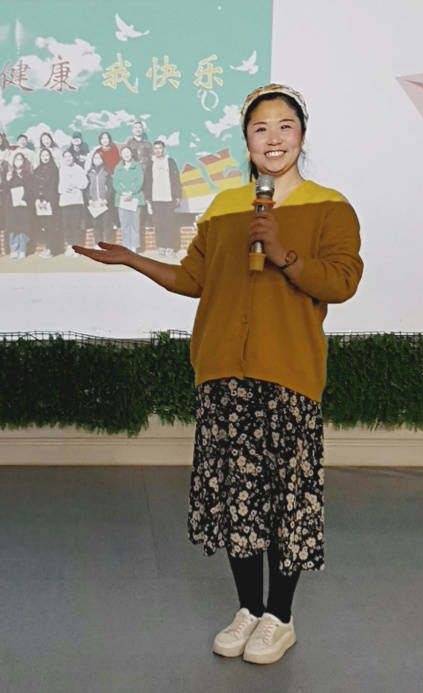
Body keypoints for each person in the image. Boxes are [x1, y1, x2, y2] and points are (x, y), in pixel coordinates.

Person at [73, 83, 363, 664]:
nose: (273, 138)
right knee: (237, 499)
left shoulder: (331, 206)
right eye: (260, 129)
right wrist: (131, 258)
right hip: (222, 375)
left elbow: (341, 282)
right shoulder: (226, 207)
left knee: (284, 501)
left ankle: (280, 617)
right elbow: (194, 280)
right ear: (246, 141)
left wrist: (282, 253)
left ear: (301, 135)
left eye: (284, 126)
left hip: (289, 376)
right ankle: (248, 609)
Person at [144, 140, 181, 256]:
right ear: (153, 150)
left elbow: (176, 179)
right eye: (155, 148)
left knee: (169, 223)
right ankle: (161, 246)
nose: (158, 150)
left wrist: (178, 196)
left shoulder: (170, 161)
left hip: (169, 198)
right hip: (155, 199)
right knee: (158, 224)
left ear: (163, 149)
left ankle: (170, 247)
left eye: (160, 148)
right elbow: (147, 181)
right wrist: (148, 198)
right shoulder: (151, 163)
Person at [112, 145, 145, 252]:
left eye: (128, 152)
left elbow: (139, 181)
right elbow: (115, 183)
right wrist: (123, 193)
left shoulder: (137, 167)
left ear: (131, 153)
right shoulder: (118, 168)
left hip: (135, 199)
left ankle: (134, 246)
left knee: (134, 224)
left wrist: (131, 192)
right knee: (124, 224)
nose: (126, 154)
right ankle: (126, 246)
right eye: (124, 153)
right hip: (122, 199)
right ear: (121, 155)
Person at [31, 148, 61, 258]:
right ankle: (45, 248)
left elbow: (54, 186)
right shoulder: (37, 170)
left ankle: (51, 249)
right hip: (39, 203)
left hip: (50, 202)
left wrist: (46, 199)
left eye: (47, 155)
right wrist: (38, 198)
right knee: (42, 225)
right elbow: (34, 186)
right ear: (40, 157)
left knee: (50, 225)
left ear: (50, 156)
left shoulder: (54, 169)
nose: (45, 157)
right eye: (43, 155)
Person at [58, 149, 88, 256]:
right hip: (65, 202)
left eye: (70, 156)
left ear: (73, 157)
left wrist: (75, 185)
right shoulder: (61, 169)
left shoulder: (79, 169)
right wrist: (65, 188)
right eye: (66, 157)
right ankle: (69, 246)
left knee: (76, 225)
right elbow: (59, 187)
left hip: (76, 201)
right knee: (67, 225)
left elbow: (84, 184)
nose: (68, 158)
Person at [85, 150, 114, 248]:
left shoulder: (107, 172)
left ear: (103, 159)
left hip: (104, 203)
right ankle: (98, 244)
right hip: (94, 204)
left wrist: (106, 199)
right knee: (96, 224)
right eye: (95, 158)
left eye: (99, 158)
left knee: (106, 225)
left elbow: (110, 187)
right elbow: (86, 189)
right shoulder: (89, 173)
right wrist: (89, 200)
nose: (97, 160)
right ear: (92, 160)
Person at [6, 152, 33, 258]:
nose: (19, 161)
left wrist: (24, 198)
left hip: (24, 204)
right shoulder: (10, 174)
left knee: (23, 227)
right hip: (12, 205)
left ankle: (22, 249)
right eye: (17, 159)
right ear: (13, 161)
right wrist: (8, 180)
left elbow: (30, 188)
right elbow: (5, 190)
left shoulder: (27, 174)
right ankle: (14, 249)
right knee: (13, 227)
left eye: (21, 159)